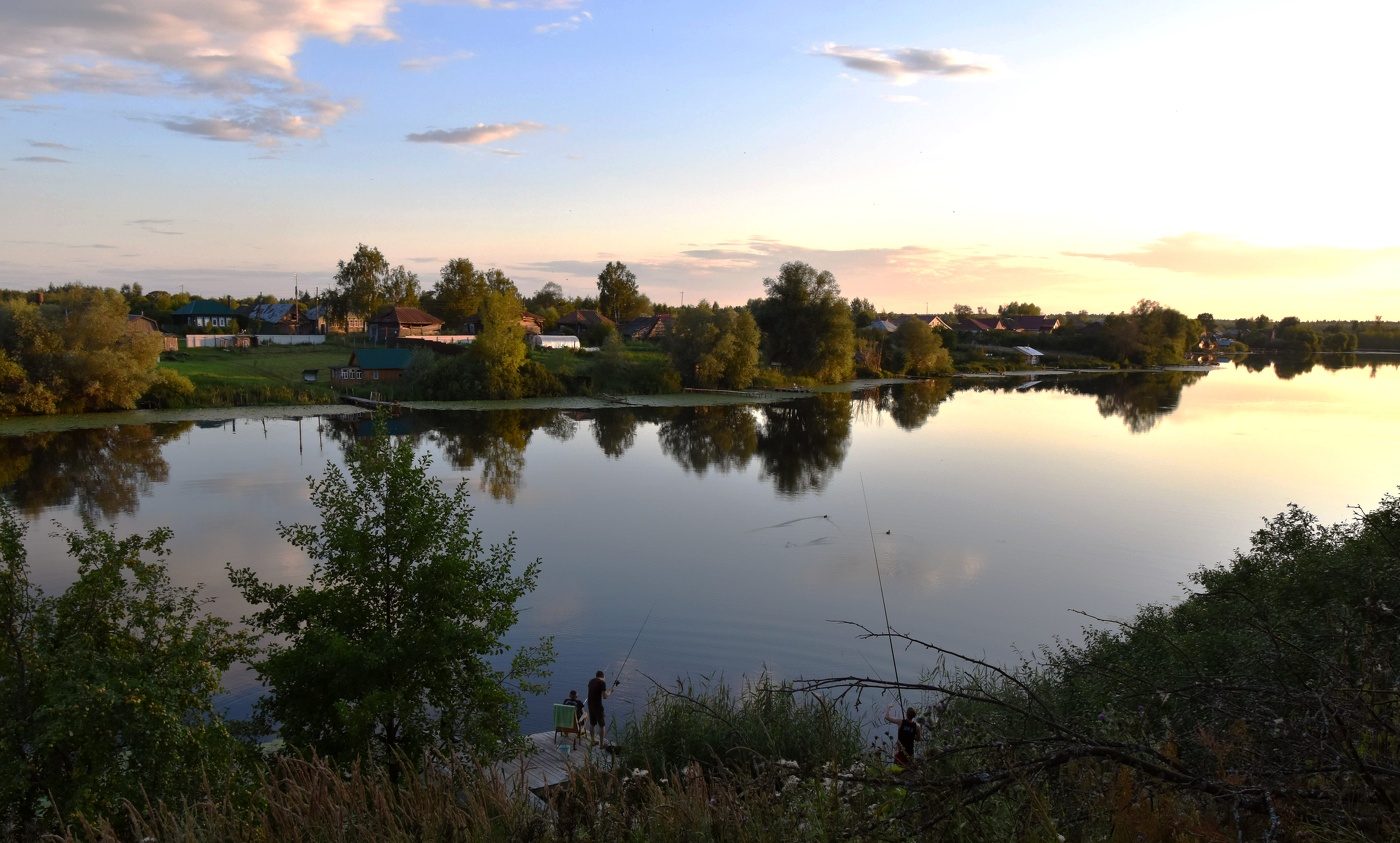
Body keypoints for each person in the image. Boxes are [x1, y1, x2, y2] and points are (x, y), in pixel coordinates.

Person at [587, 670, 613, 745]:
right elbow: (605, 696)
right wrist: (610, 692)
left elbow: (591, 692)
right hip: (597, 706)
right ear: (603, 676)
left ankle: (592, 741)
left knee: (592, 724)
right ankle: (601, 745)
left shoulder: (591, 681)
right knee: (602, 725)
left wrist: (607, 691)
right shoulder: (602, 683)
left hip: (590, 705)